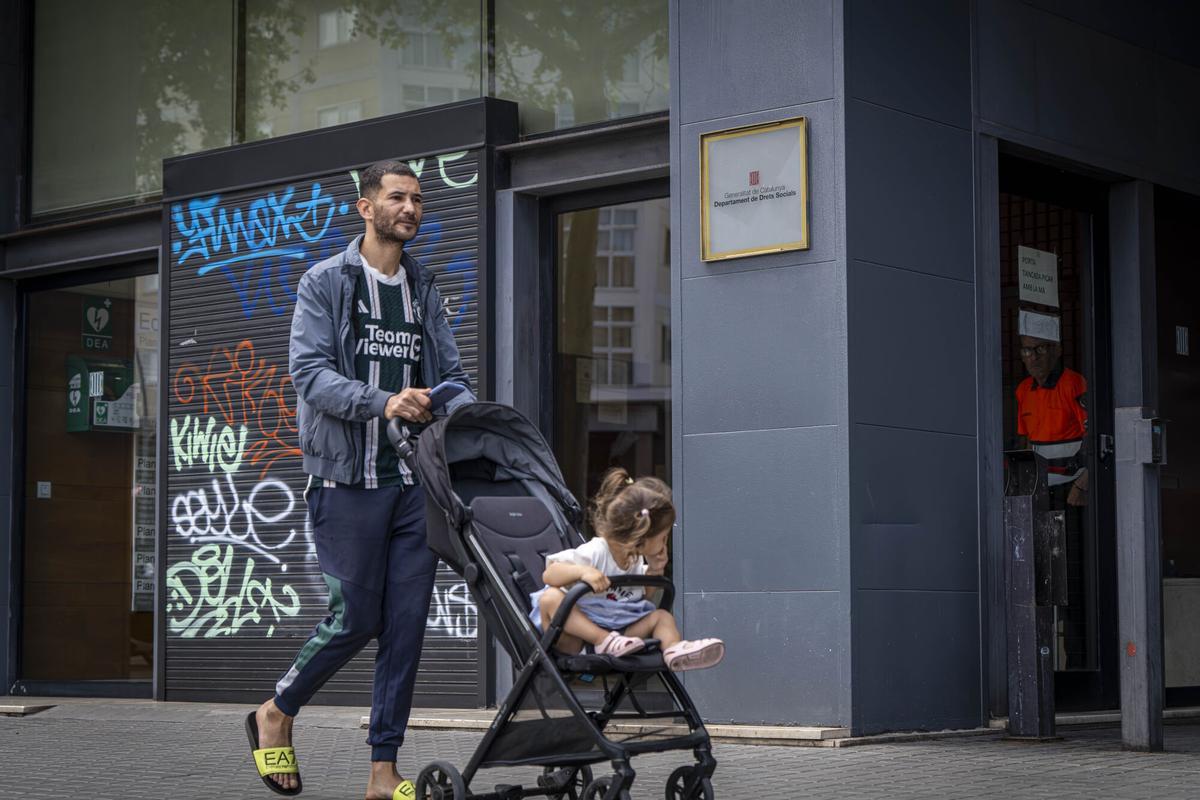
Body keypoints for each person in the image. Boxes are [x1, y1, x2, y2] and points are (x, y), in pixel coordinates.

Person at [246, 160, 474, 799]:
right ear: (366, 208)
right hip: (347, 480)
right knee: (353, 618)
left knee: (405, 623)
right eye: (397, 197)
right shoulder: (326, 283)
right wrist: (385, 402)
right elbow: (310, 374)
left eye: (418, 199)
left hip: (412, 484)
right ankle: (276, 712)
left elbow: (451, 374)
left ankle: (382, 773)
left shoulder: (423, 287)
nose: (411, 207)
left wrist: (460, 410)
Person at [529, 467, 725, 672]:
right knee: (550, 598)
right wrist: (583, 573)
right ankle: (603, 639)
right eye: (663, 539)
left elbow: (641, 598)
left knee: (662, 617)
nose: (665, 545)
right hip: (578, 639)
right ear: (640, 537)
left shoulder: (634, 560)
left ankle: (674, 650)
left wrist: (655, 572)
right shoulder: (597, 551)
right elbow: (549, 574)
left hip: (620, 636)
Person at [1015, 333, 1088, 506]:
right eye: (1027, 350)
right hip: (1039, 489)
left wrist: (1082, 486)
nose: (1033, 357)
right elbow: (1026, 442)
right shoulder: (1023, 390)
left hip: (1073, 488)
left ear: (1056, 350)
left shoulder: (1073, 383)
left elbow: (1095, 437)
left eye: (1040, 349)